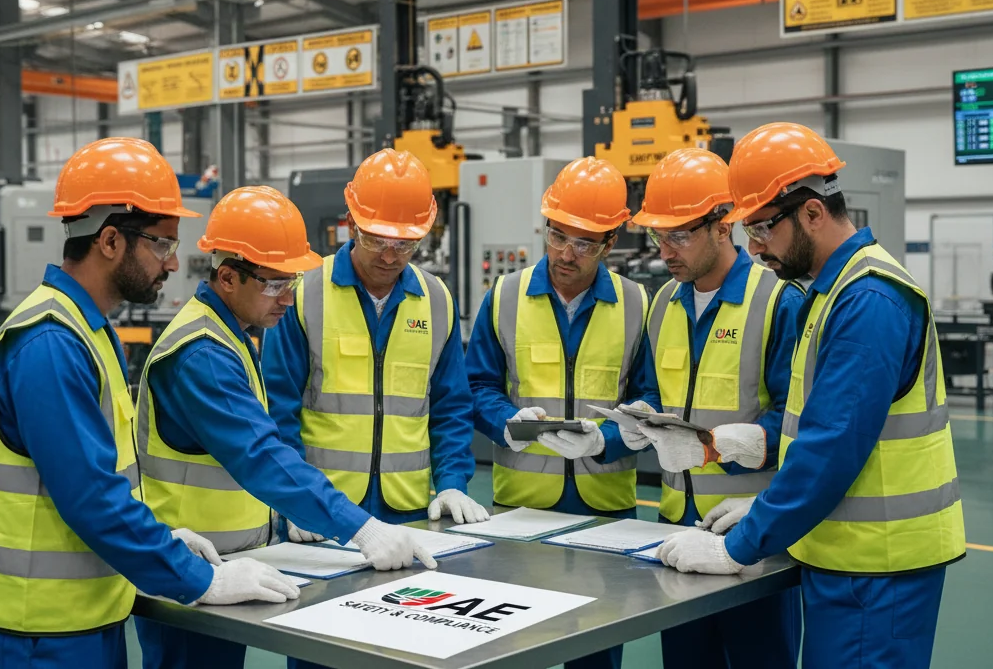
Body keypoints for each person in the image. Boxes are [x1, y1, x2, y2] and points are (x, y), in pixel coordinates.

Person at [0, 138, 299, 669]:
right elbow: (91, 497)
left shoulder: (86, 330)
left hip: (79, 612)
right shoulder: (51, 343)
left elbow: (102, 479)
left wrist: (163, 539)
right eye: (161, 244)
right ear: (110, 240)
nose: (173, 262)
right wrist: (201, 579)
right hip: (31, 629)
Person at [657, 123, 966, 669]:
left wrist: (738, 546)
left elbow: (831, 447)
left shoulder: (867, 299)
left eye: (761, 229)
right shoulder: (828, 293)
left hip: (878, 570)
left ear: (813, 213)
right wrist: (765, 505)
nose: (754, 247)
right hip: (848, 559)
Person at [135, 186, 437, 669]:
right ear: (228, 277)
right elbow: (260, 455)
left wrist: (285, 516)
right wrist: (361, 528)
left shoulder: (229, 336)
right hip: (193, 573)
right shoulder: (203, 354)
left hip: (221, 564)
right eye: (275, 284)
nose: (289, 298)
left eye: (292, 281)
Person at [264, 149, 485, 668]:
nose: (389, 255)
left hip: (409, 517)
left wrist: (452, 481)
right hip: (324, 519)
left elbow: (451, 406)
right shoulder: (305, 292)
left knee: (407, 653)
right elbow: (277, 411)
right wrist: (294, 502)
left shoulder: (436, 300)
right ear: (351, 221)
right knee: (319, 653)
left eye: (405, 242)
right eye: (376, 239)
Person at [466, 156, 654, 669]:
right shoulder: (504, 297)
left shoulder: (637, 304)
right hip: (520, 508)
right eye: (557, 236)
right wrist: (507, 424)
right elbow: (477, 385)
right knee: (512, 649)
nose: (566, 254)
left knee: (597, 650)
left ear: (610, 242)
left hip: (606, 510)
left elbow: (653, 398)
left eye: (584, 243)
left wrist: (607, 439)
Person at [621, 148, 801, 669]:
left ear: (724, 226)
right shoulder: (664, 303)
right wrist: (641, 418)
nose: (664, 252)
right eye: (657, 236)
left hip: (752, 536)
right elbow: (658, 392)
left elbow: (798, 419)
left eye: (678, 236)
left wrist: (724, 444)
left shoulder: (777, 300)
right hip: (677, 532)